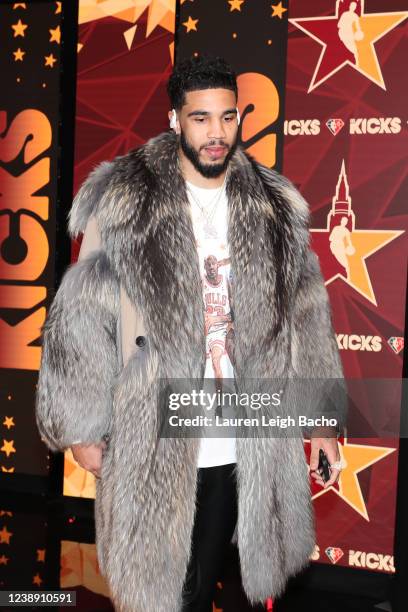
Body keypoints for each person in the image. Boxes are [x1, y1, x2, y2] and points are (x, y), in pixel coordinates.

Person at [36, 55, 347, 612]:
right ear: (175, 119)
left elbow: (306, 316)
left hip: (240, 435)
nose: (216, 133)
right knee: (156, 594)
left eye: (227, 118)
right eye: (201, 119)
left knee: (201, 588)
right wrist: (81, 427)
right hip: (155, 432)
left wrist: (321, 420)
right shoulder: (128, 200)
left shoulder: (273, 206)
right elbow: (82, 315)